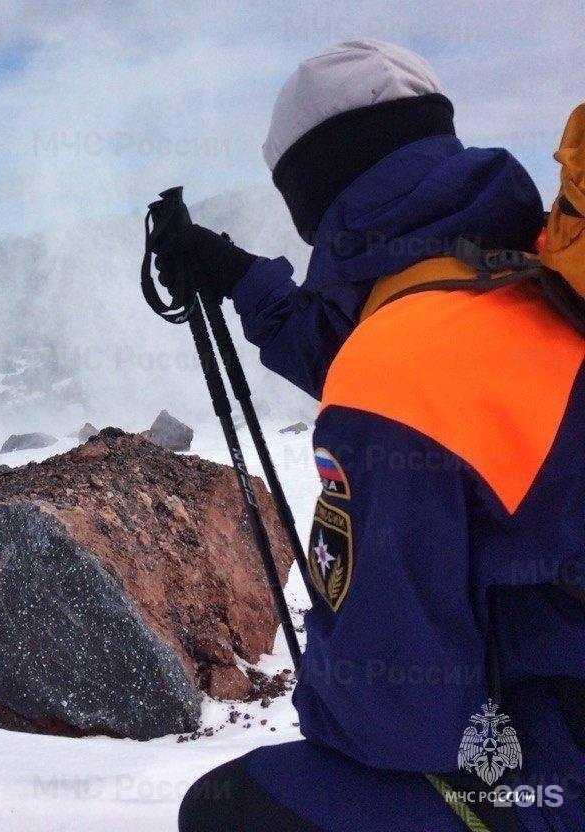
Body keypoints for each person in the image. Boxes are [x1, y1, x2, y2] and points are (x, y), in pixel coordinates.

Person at [165, 41, 585, 831]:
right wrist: (227, 270)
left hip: (555, 770)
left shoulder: (398, 373)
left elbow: (396, 718)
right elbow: (378, 350)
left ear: (314, 197)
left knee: (230, 810)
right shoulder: (527, 269)